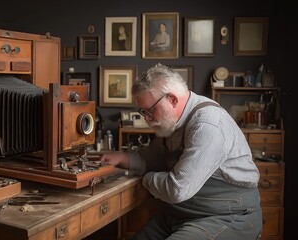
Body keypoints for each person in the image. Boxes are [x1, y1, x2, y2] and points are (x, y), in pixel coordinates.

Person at [100, 63, 262, 240]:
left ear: (172, 99)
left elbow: (177, 189)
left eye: (150, 111)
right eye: (143, 112)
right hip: (183, 213)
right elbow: (149, 159)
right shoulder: (171, 123)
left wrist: (145, 179)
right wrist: (123, 157)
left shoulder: (208, 125)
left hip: (226, 215)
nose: (147, 119)